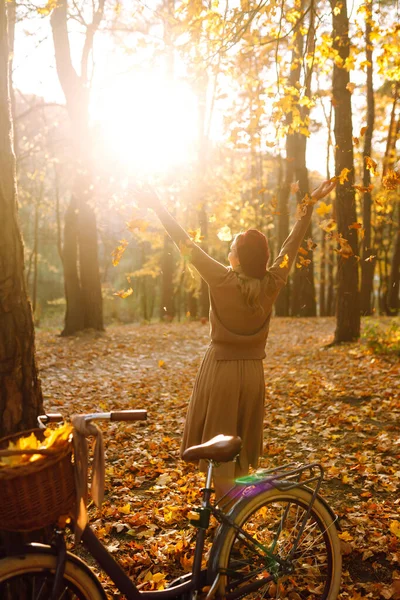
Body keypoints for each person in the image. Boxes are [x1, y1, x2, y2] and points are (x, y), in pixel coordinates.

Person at [133, 179, 336, 500]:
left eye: (232, 249)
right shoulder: (274, 281)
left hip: (221, 372)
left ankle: (228, 522)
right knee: (239, 456)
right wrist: (307, 208)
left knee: (220, 457)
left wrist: (157, 205)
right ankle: (235, 519)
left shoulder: (221, 278)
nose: (228, 252)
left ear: (239, 258)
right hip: (254, 374)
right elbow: (291, 246)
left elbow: (184, 243)